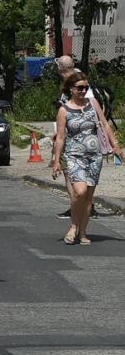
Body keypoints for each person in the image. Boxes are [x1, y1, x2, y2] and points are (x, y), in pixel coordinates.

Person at [51, 71, 122, 245]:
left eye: (86, 88)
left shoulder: (93, 103)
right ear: (70, 89)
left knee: (88, 197)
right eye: (79, 88)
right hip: (74, 156)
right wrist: (56, 161)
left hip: (94, 156)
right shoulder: (64, 110)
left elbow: (104, 124)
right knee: (79, 192)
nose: (83, 91)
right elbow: (60, 137)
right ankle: (74, 227)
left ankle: (83, 232)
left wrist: (115, 145)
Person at [51, 56, 98, 220]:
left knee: (71, 174)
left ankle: (78, 209)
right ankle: (80, 207)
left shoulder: (78, 82)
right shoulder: (74, 81)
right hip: (70, 137)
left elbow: (91, 109)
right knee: (72, 174)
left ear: (61, 67)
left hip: (79, 142)